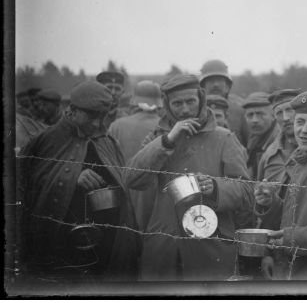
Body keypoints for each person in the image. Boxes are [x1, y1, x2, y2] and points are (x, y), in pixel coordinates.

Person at [209, 90, 307, 280]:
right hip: (296, 274)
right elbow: (297, 216)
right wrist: (270, 203)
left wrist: (292, 238)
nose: (304, 130)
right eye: (300, 122)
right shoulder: (300, 162)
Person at [124, 74, 250, 281]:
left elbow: (246, 192)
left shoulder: (224, 138)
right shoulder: (159, 138)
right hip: (164, 250)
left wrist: (216, 187)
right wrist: (168, 140)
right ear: (167, 105)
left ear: (201, 100)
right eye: (177, 103)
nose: (184, 110)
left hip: (210, 249)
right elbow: (132, 179)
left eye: (190, 101)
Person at [18, 81, 139, 282]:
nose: (97, 123)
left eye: (102, 116)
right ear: (72, 110)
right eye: (91, 115)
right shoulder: (47, 140)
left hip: (106, 241)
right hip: (61, 242)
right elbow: (26, 184)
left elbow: (122, 181)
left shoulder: (108, 141)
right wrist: (73, 176)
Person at [108, 80, 163, 229]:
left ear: (134, 101)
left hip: (124, 193)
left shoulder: (117, 125)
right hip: (156, 197)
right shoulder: (166, 127)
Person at [200, 59, 248, 145]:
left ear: (228, 85)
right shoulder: (195, 108)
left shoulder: (241, 108)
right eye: (211, 80)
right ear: (203, 85)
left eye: (219, 80)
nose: (216, 85)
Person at [242, 92, 280, 179]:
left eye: (260, 114)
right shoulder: (253, 138)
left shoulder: (280, 143)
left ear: (273, 115)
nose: (254, 120)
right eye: (250, 115)